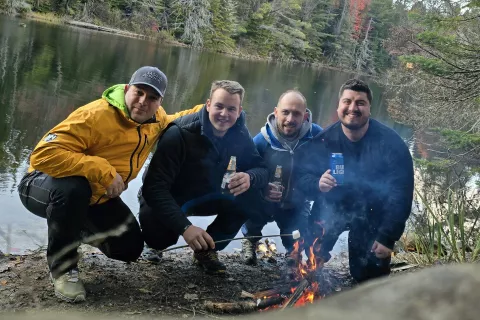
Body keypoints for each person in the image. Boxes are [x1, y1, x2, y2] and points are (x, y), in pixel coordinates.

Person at [17, 66, 202, 302]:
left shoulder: (155, 122)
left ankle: (71, 229)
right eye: (139, 92)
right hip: (41, 184)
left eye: (152, 97)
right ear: (127, 89)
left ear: (159, 102)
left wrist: (215, 109)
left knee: (129, 249)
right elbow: (43, 154)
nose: (143, 102)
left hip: (96, 197)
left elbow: (180, 119)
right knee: (74, 188)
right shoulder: (95, 115)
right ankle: (63, 270)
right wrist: (103, 170)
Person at [139, 80, 268, 275]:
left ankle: (207, 250)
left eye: (231, 109)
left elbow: (261, 168)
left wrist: (250, 177)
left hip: (207, 194)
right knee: (159, 237)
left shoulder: (240, 133)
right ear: (208, 104)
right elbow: (154, 187)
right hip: (173, 196)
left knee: (253, 198)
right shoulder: (179, 133)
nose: (224, 114)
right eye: (219, 106)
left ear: (239, 110)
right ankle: (154, 244)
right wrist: (185, 228)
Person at [296, 79, 414, 283]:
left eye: (360, 103)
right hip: (332, 207)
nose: (353, 108)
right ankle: (317, 265)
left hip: (371, 212)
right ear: (338, 106)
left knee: (369, 277)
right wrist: (317, 184)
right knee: (313, 251)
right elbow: (301, 178)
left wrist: (387, 237)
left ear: (370, 108)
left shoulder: (390, 144)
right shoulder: (324, 141)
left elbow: (401, 194)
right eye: (347, 101)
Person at [240, 90, 322, 265]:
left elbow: (335, 157)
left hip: (296, 203)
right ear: (276, 112)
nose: (290, 119)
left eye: (297, 114)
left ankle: (292, 250)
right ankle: (250, 240)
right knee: (252, 213)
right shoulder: (262, 141)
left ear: (305, 116)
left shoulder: (316, 137)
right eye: (285, 112)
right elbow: (247, 174)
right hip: (264, 201)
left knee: (295, 240)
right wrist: (263, 190)